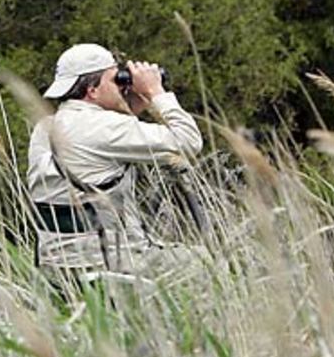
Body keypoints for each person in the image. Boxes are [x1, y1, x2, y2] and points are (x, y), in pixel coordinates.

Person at [27, 43, 205, 284]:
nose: (123, 86)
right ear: (92, 90)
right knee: (200, 260)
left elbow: (98, 149)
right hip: (110, 262)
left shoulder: (45, 127)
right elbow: (189, 142)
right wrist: (157, 92)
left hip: (56, 267)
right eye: (116, 80)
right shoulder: (106, 128)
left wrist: (130, 108)